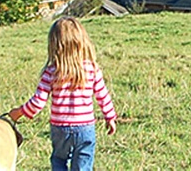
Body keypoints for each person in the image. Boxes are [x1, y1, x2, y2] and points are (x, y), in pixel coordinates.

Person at [9, 16, 117, 171]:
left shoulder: (52, 72)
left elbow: (38, 102)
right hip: (85, 127)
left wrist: (19, 112)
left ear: (54, 45)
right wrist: (110, 117)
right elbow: (103, 96)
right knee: (83, 163)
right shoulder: (92, 69)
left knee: (59, 160)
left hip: (60, 128)